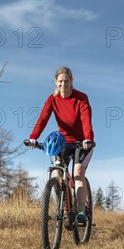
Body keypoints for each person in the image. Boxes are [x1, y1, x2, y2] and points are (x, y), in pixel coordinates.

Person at [28, 66, 95, 229]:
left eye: (66, 81)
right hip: (64, 142)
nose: (63, 84)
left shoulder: (81, 98)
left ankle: (80, 212)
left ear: (71, 81)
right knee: (58, 173)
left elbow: (86, 119)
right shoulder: (52, 99)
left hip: (82, 142)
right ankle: (66, 210)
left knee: (78, 173)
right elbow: (43, 118)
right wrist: (33, 137)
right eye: (60, 81)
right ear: (55, 82)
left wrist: (88, 138)